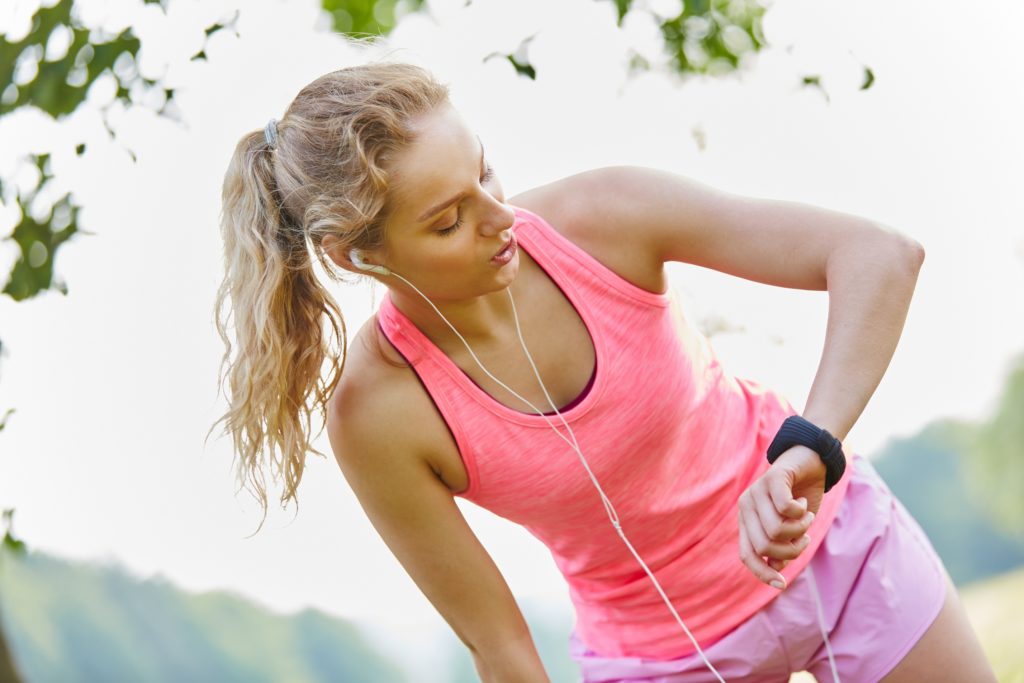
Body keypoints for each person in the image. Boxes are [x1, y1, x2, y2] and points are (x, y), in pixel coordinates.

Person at [211, 61, 996, 682]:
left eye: (487, 175)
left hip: (841, 557)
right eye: (449, 219)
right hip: (656, 657)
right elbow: (502, 648)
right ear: (361, 255)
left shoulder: (601, 217)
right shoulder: (377, 413)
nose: (501, 217)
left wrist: (807, 446)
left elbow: (879, 255)